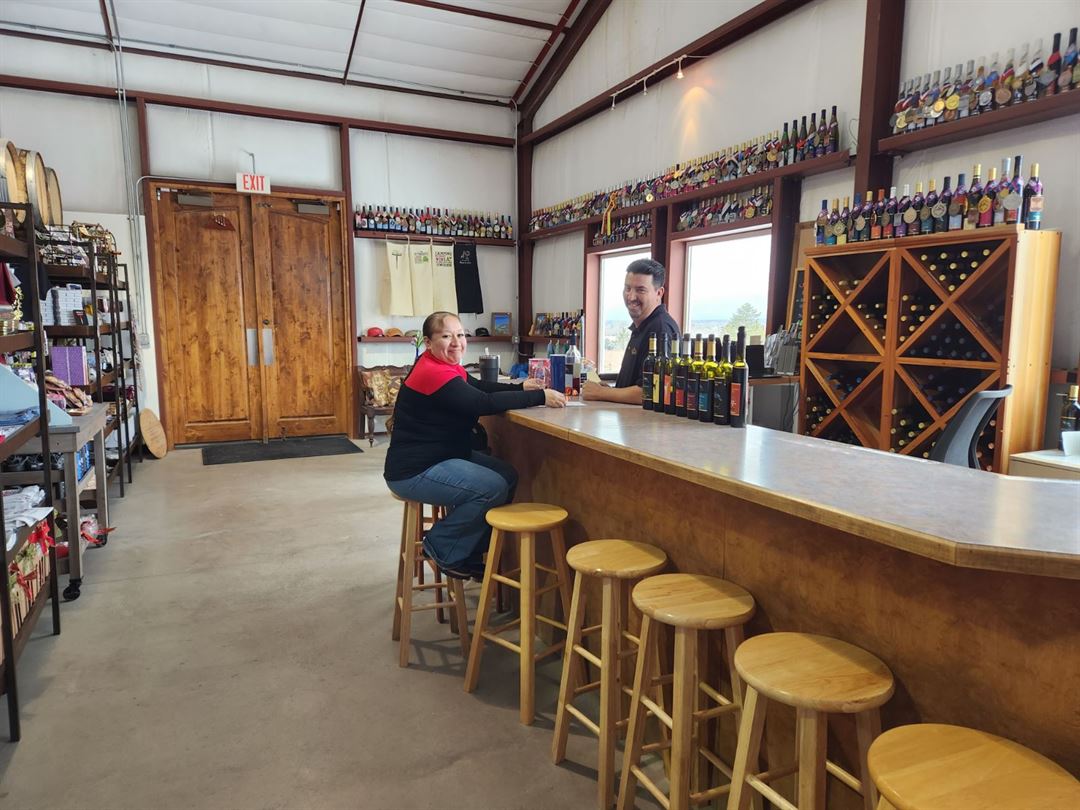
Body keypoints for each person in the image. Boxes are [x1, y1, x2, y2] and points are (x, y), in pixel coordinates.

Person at [384, 311, 566, 579]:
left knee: (507, 475)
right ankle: (441, 545)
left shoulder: (443, 365)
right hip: (414, 470)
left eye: (460, 335)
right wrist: (540, 396)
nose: (456, 342)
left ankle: (468, 552)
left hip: (442, 455)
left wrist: (521, 388)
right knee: (492, 487)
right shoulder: (432, 371)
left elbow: (479, 387)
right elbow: (482, 403)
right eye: (446, 336)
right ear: (428, 342)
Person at [582, 258, 680, 403]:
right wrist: (608, 390)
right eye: (628, 288)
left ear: (659, 293)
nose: (631, 296)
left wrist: (601, 393)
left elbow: (652, 391)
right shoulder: (642, 326)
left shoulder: (661, 329)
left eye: (640, 290)